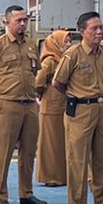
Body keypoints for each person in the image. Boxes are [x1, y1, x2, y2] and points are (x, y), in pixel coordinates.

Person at [0, 4, 44, 204]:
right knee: (4, 151)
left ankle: (26, 192)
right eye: (18, 20)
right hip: (7, 103)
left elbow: (36, 71)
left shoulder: (31, 45)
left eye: (25, 20)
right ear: (8, 23)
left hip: (29, 103)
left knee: (29, 150)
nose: (23, 24)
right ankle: (1, 194)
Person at [53, 11, 103, 204]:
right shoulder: (73, 54)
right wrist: (76, 96)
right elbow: (58, 83)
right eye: (93, 29)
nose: (99, 32)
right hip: (81, 110)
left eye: (100, 27)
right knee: (77, 160)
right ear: (82, 31)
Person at [35, 29, 69, 187]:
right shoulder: (50, 61)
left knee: (60, 141)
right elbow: (39, 81)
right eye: (65, 41)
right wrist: (40, 95)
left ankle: (61, 175)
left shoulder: (64, 59)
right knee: (50, 142)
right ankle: (50, 176)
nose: (68, 44)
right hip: (51, 105)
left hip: (62, 104)